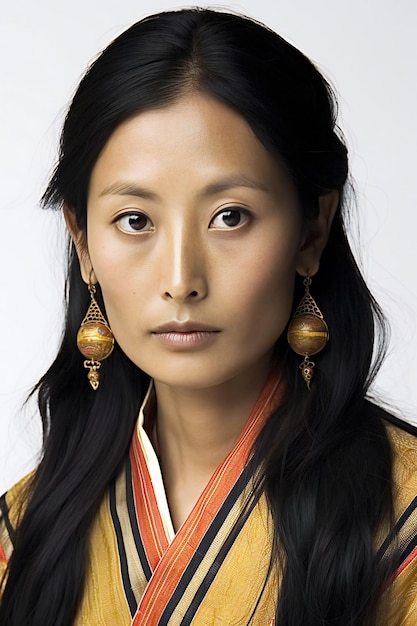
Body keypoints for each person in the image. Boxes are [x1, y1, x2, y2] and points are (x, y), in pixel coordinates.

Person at [0, 7, 416, 625]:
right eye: (135, 221)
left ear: (311, 230)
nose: (180, 281)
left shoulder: (402, 523)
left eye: (231, 216)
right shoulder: (23, 533)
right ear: (83, 242)